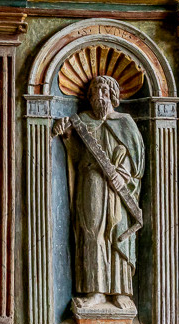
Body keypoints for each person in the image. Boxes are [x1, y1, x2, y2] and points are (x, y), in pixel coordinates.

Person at [54, 75, 144, 310]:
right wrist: (67, 135)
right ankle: (96, 291)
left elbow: (137, 157)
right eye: (96, 91)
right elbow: (76, 156)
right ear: (90, 97)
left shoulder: (125, 122)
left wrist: (123, 173)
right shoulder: (82, 121)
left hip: (118, 186)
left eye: (105, 90)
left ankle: (120, 291)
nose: (100, 96)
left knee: (119, 232)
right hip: (91, 181)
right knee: (92, 232)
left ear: (113, 95)